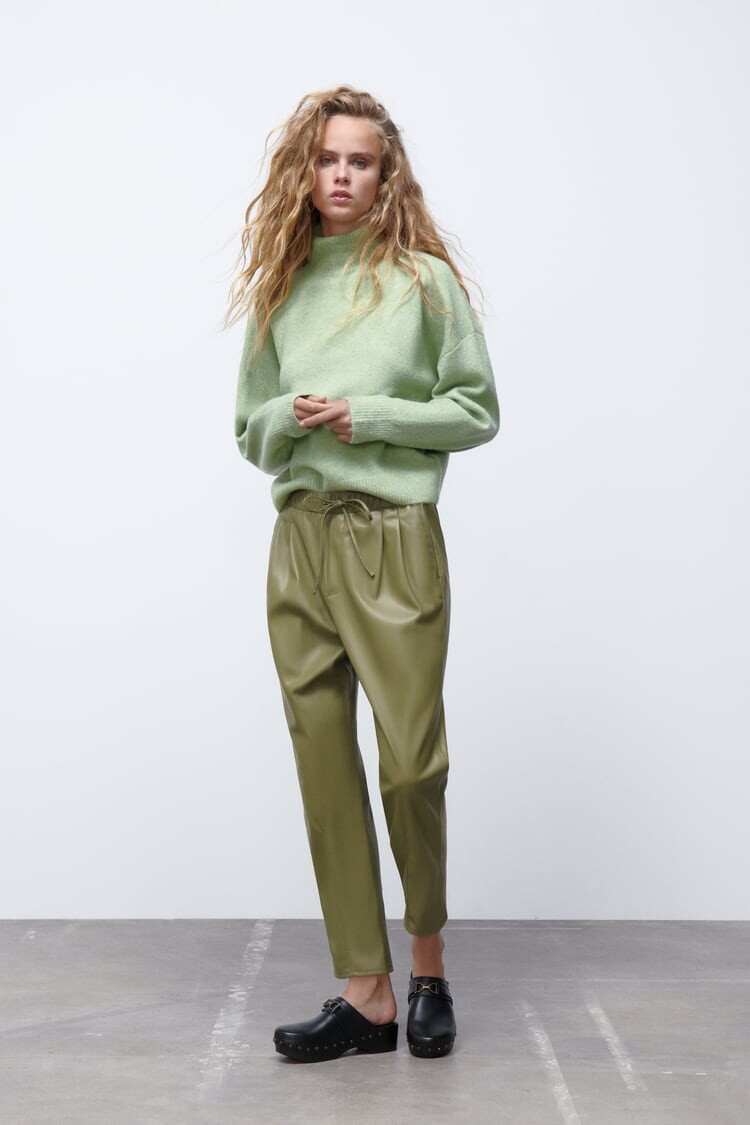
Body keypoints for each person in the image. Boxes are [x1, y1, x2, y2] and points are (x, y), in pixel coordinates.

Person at [224, 85, 499, 1062]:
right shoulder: (282, 287)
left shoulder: (425, 283)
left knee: (413, 762)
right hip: (301, 539)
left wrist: (365, 416)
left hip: (393, 537)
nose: (342, 175)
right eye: (327, 158)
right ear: (305, 171)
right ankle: (367, 991)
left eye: (361, 161)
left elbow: (475, 410)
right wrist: (292, 415)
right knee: (323, 763)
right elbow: (248, 429)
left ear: (388, 175)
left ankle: (427, 967)